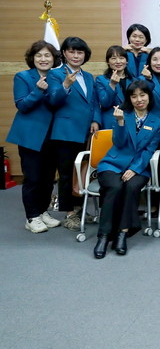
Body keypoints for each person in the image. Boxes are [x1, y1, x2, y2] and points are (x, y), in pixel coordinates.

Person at [93, 80, 160, 258]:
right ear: (129, 99)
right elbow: (118, 143)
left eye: (142, 95)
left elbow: (149, 151)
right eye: (134, 96)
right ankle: (104, 236)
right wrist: (120, 122)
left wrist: (135, 169)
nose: (139, 100)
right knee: (115, 187)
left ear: (149, 96)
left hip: (139, 167)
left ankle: (122, 233)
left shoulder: (157, 122)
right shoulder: (122, 115)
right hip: (112, 164)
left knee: (131, 187)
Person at [6, 40, 62, 233]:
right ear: (32, 58)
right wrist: (38, 90)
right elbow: (22, 105)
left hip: (52, 135)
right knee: (33, 178)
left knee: (48, 177)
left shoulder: (56, 77)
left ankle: (43, 211)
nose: (43, 59)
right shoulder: (22, 77)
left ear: (54, 59)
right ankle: (32, 217)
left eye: (47, 55)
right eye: (39, 55)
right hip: (30, 136)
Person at [47, 37, 101, 231]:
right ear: (64, 53)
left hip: (86, 132)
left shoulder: (88, 76)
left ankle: (79, 209)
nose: (76, 56)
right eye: (72, 52)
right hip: (65, 132)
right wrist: (66, 85)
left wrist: (95, 120)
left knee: (82, 172)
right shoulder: (55, 74)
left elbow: (94, 102)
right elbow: (52, 100)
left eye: (80, 52)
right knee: (66, 173)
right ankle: (69, 213)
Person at [96, 45, 133, 129]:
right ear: (108, 62)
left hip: (131, 122)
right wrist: (112, 85)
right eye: (113, 58)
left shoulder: (134, 80)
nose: (118, 61)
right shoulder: (101, 80)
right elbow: (105, 104)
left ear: (127, 61)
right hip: (111, 123)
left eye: (121, 58)